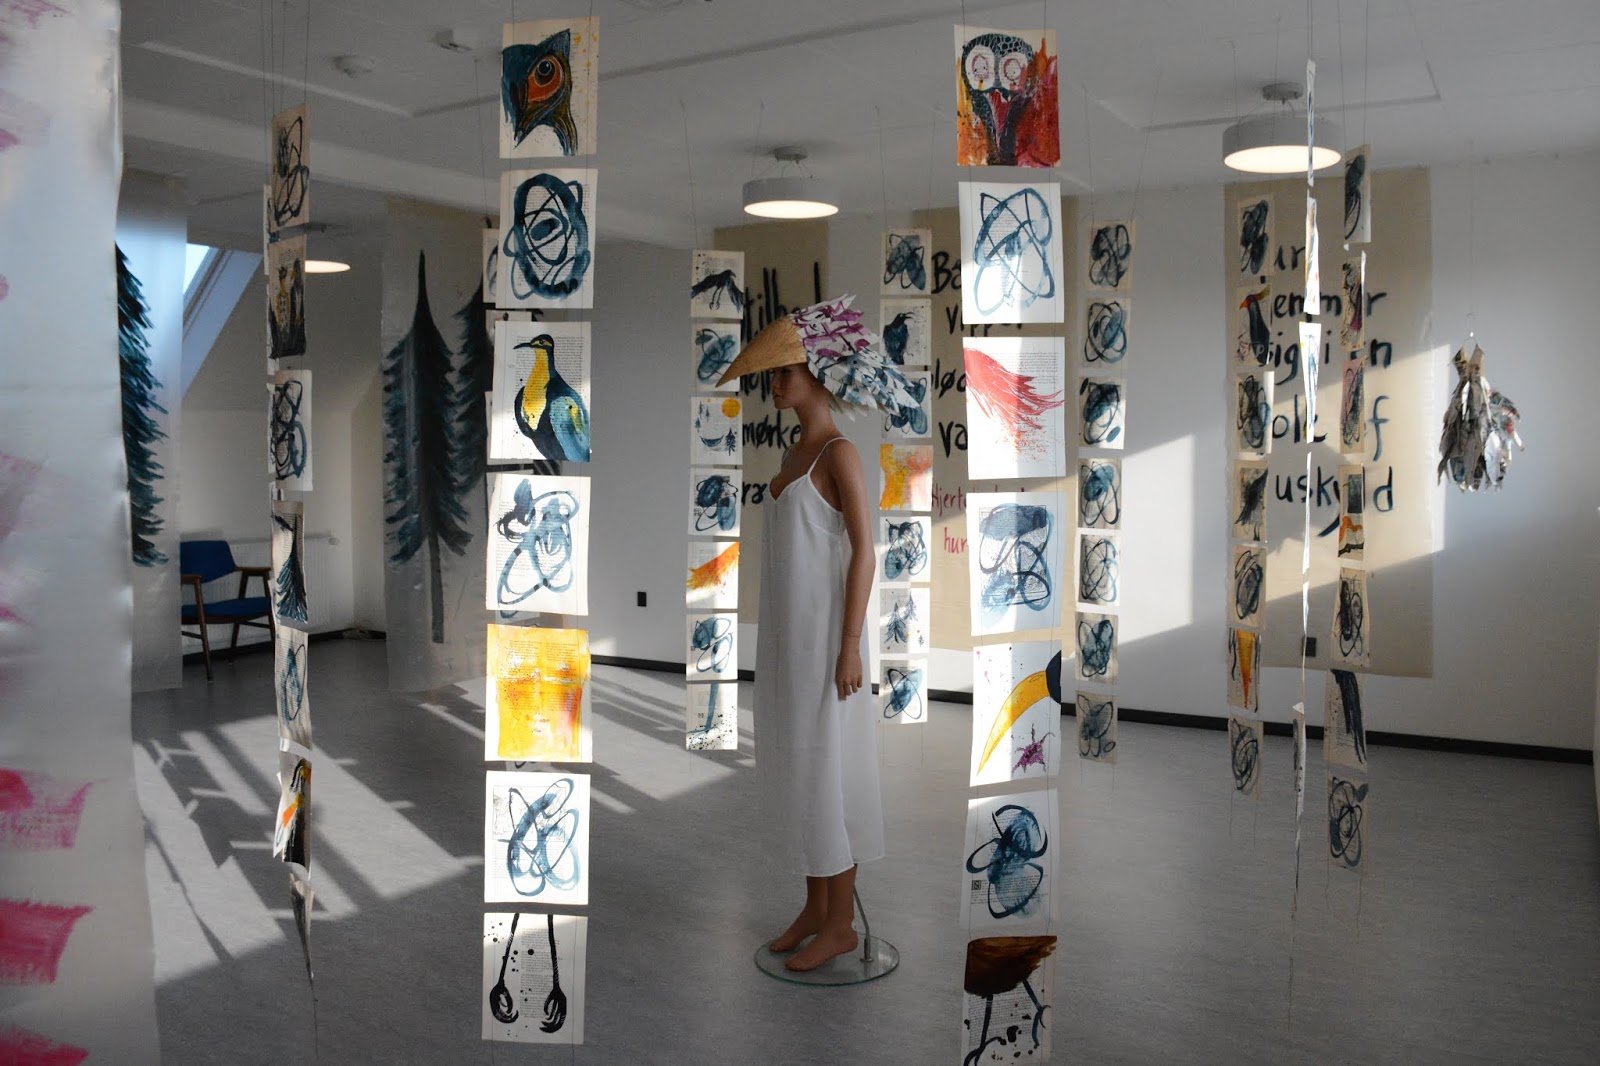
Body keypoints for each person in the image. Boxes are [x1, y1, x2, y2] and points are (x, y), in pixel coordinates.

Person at [716, 296, 921, 973]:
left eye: (784, 373)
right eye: (773, 374)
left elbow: (865, 551)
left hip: (827, 643)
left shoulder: (839, 453)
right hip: (787, 642)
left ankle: (840, 924)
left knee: (831, 771)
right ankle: (813, 907)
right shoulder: (793, 450)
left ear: (816, 374)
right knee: (801, 769)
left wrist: (851, 645)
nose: (775, 385)